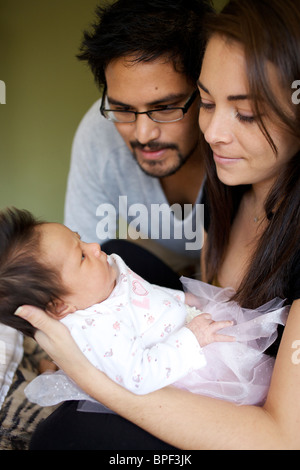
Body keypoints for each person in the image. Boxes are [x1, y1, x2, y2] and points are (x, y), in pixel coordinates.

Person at [16, 0, 300, 450]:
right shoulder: (231, 184)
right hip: (197, 345)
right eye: (209, 103)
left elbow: (283, 438)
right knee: (117, 254)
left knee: (63, 435)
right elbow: (71, 274)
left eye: (244, 112)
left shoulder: (226, 162)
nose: (215, 132)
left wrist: (96, 379)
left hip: (251, 402)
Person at [0, 207, 235, 401]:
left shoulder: (106, 273)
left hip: (180, 320)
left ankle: (53, 368)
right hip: (172, 368)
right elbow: (140, 377)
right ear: (60, 307)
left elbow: (145, 294)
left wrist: (184, 299)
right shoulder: (98, 327)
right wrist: (192, 338)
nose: (94, 247)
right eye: (81, 256)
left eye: (80, 239)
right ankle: (58, 372)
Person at [64, 0, 214, 279]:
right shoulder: (99, 132)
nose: (144, 135)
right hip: (157, 257)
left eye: (166, 107)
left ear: (207, 94)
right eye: (123, 109)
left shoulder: (235, 136)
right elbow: (81, 265)